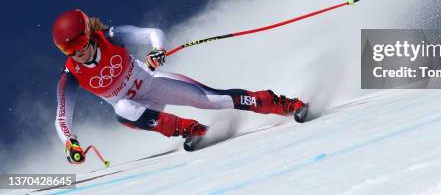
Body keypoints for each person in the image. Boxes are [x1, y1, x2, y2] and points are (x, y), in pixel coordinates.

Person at [53, 9, 307, 164]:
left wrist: (157, 51)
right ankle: (192, 130)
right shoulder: (70, 75)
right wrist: (70, 142)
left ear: (89, 36)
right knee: (122, 108)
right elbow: (62, 117)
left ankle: (286, 105)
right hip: (138, 109)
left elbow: (152, 33)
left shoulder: (110, 37)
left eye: (78, 46)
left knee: (215, 100)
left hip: (153, 84)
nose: (75, 54)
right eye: (67, 50)